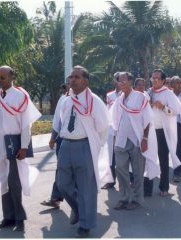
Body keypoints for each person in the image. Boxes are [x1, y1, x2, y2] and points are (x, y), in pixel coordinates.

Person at [0, 66, 41, 232]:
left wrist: (24, 147)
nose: (0, 81)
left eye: (3, 77)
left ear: (12, 77)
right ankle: (8, 217)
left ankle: (20, 219)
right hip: (0, 145)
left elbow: (26, 125)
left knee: (14, 181)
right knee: (4, 182)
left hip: (15, 144)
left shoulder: (21, 96)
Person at [56, 66, 112, 238]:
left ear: (85, 81)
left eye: (76, 77)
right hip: (66, 145)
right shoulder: (66, 100)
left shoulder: (94, 101)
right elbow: (62, 121)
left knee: (86, 187)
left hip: (84, 146)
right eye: (71, 76)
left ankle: (86, 224)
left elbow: (103, 128)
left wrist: (94, 145)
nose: (72, 80)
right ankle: (79, 208)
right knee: (62, 183)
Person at [110, 72, 159, 210]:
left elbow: (148, 119)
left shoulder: (140, 97)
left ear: (131, 81)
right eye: (120, 81)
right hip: (121, 139)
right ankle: (124, 198)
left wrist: (144, 138)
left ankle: (138, 199)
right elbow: (114, 119)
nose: (122, 83)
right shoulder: (119, 99)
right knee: (120, 169)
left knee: (138, 171)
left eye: (125, 80)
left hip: (137, 139)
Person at [147, 69, 181, 197]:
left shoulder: (168, 94)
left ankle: (164, 187)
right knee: (148, 157)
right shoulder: (149, 92)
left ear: (163, 80)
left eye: (157, 78)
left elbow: (177, 111)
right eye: (153, 77)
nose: (154, 80)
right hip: (150, 131)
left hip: (162, 131)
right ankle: (147, 187)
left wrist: (163, 107)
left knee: (163, 159)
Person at [41, 78, 71, 209]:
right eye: (70, 82)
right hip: (63, 140)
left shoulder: (88, 99)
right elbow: (57, 121)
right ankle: (55, 198)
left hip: (81, 142)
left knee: (79, 172)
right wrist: (53, 137)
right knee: (61, 169)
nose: (72, 84)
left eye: (76, 79)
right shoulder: (63, 99)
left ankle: (81, 203)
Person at [103, 72, 121, 189]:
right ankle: (111, 180)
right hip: (112, 129)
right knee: (111, 155)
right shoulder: (110, 95)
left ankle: (131, 179)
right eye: (117, 80)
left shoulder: (127, 94)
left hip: (124, 129)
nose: (119, 83)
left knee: (125, 154)